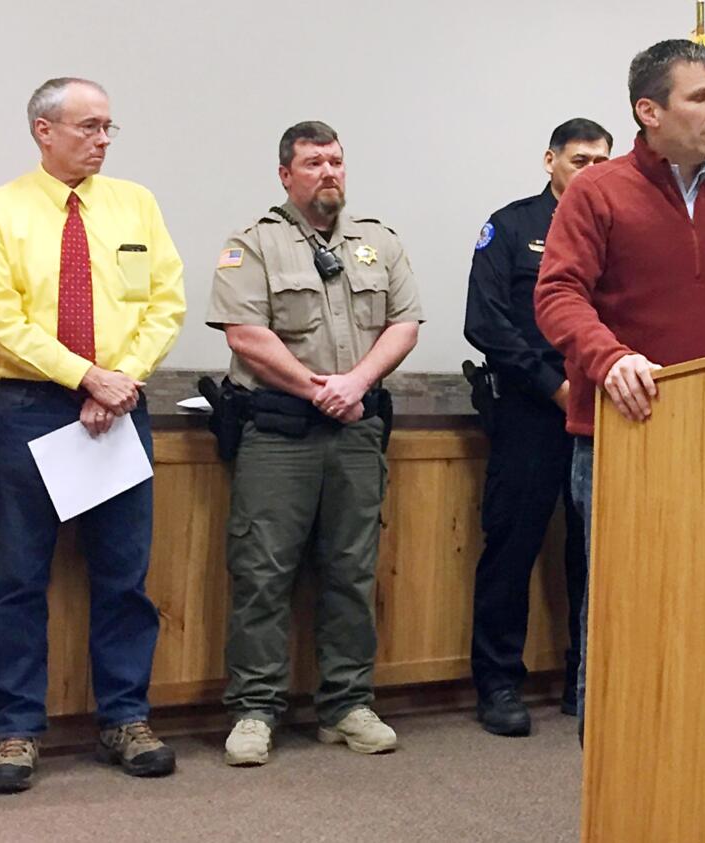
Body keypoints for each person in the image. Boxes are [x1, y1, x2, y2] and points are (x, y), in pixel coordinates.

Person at [534, 40, 705, 737]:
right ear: (649, 110)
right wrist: (608, 356)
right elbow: (557, 296)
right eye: (702, 98)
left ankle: (694, 751)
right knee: (626, 606)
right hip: (626, 434)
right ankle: (613, 762)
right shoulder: (597, 191)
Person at [0, 76, 185, 793]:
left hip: (119, 407)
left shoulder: (135, 204)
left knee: (124, 576)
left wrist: (116, 379)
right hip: (27, 409)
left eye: (108, 128)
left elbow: (165, 301)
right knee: (16, 580)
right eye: (88, 127)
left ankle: (126, 718)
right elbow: (3, 321)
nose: (101, 140)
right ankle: (17, 731)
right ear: (44, 131)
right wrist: (86, 376)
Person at [206, 121, 424, 766]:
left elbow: (405, 323)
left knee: (352, 573)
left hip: (356, 433)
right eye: (313, 163)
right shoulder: (254, 245)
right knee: (262, 575)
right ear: (285, 174)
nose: (329, 172)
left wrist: (355, 382)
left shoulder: (377, 242)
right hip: (278, 435)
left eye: (336, 161)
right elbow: (245, 334)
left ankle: (347, 705)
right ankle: (255, 710)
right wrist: (315, 388)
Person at [464, 118, 612, 736]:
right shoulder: (512, 225)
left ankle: (588, 677)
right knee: (512, 548)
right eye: (581, 160)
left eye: (604, 161)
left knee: (595, 555)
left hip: (603, 412)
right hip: (530, 410)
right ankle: (498, 684)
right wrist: (552, 385)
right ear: (550, 160)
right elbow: (487, 321)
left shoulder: (618, 226)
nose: (594, 171)